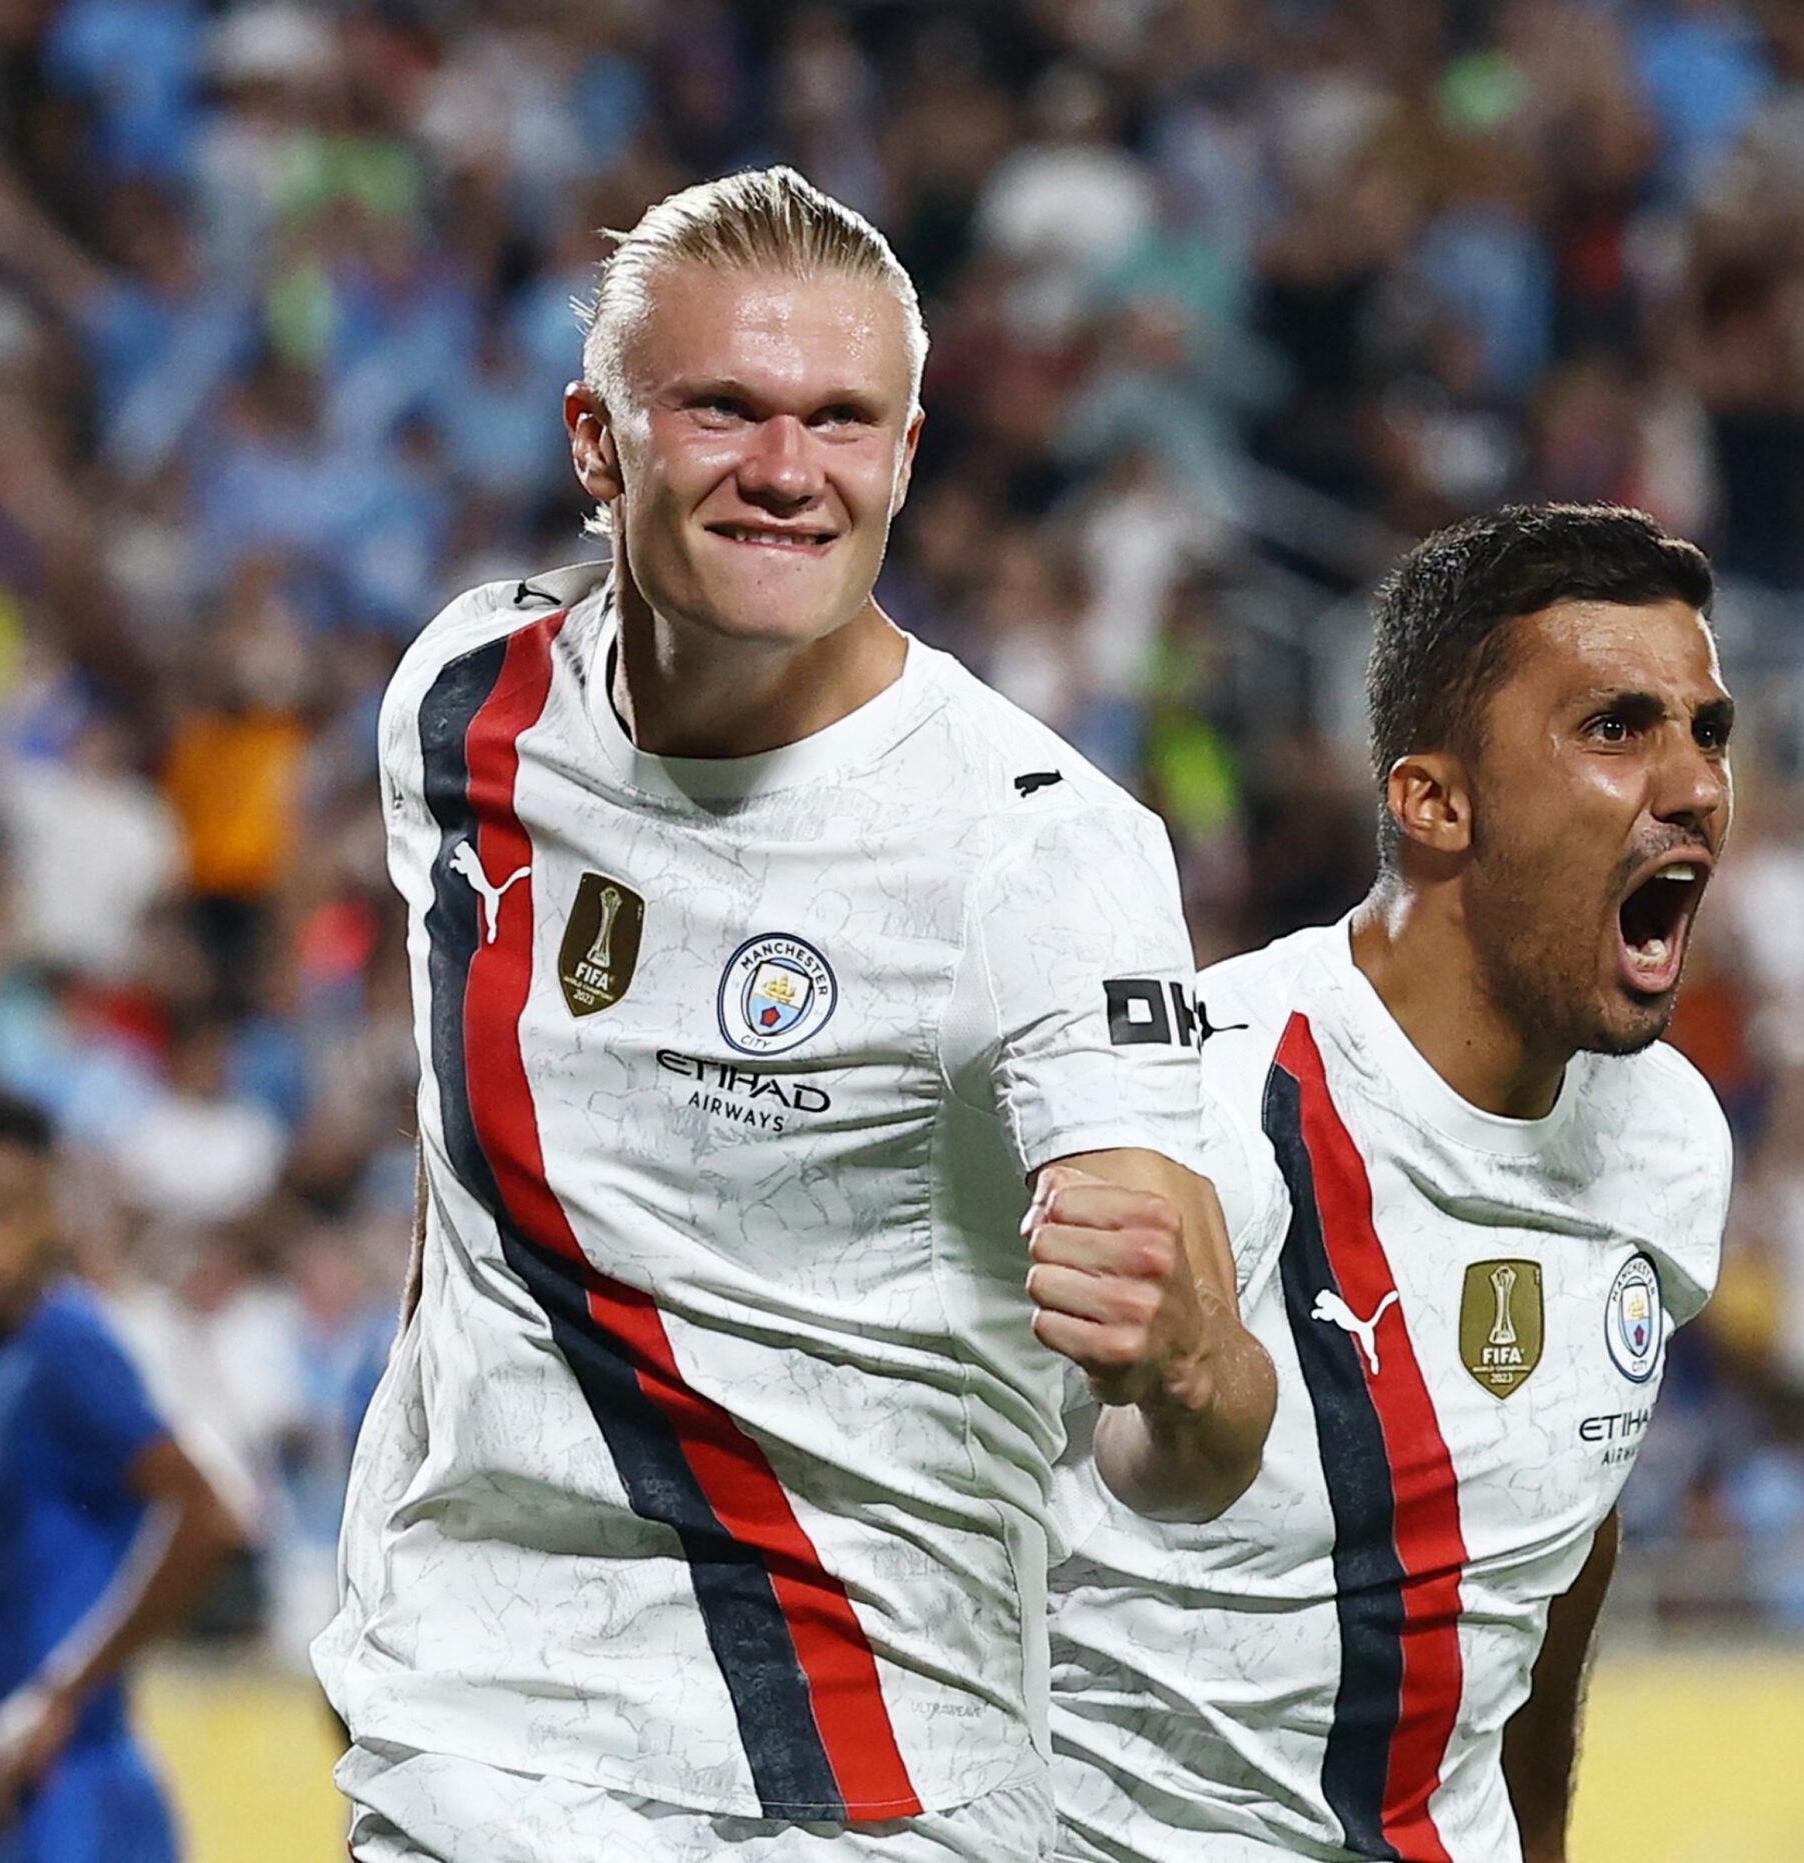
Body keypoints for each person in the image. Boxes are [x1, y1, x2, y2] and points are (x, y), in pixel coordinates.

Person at [313, 165, 1276, 1862]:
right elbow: (470, 1165)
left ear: (906, 459)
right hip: (473, 1741)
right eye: (725, 408)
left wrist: (1193, 1361)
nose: (785, 469)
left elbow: (1179, 1452)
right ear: (597, 441)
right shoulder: (462, 703)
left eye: (844, 419)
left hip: (862, 1782)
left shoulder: (1039, 850)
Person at [1047, 504, 1736, 1863]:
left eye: (1707, 729)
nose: (1696, 783)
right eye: (1616, 727)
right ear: (1434, 801)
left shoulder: (1672, 1139)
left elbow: (1554, 1553)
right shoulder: (1192, 1107)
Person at [0, 1090, 246, 1863]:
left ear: (50, 1214)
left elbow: (210, 1512)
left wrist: (58, 1692)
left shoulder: (65, 1344)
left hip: (64, 1789)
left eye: (3, 1212)